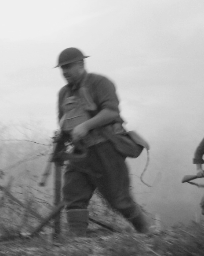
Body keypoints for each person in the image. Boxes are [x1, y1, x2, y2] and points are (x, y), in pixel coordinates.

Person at [54, 47, 148, 237]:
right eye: (62, 68)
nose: (64, 72)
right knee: (73, 194)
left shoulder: (100, 83)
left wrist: (86, 126)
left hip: (106, 149)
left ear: (81, 64)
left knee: (120, 200)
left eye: (68, 67)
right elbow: (65, 123)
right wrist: (61, 141)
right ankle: (76, 243)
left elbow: (112, 112)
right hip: (80, 153)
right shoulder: (63, 94)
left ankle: (145, 232)